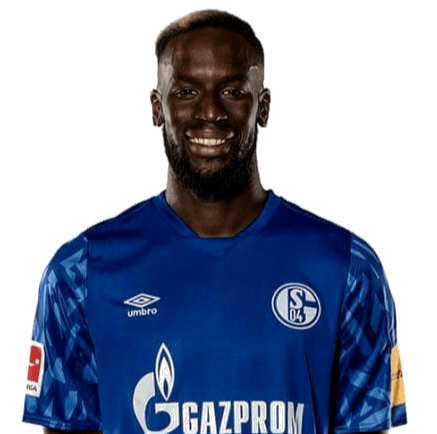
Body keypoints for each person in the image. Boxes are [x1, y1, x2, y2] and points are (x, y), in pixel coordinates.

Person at [22, 9, 407, 434]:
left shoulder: (347, 269)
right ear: (158, 108)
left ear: (262, 107)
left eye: (233, 91)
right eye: (187, 91)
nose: (210, 111)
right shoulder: (80, 274)